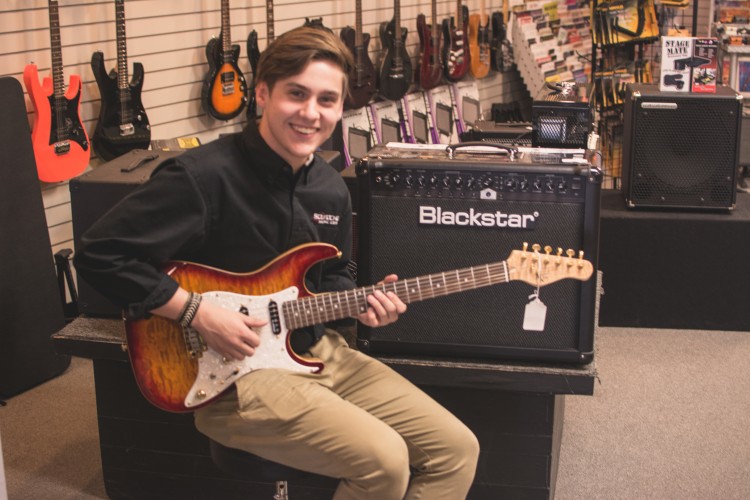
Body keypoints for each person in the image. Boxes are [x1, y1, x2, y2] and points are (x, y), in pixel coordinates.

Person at [74, 26, 479, 499]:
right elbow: (100, 253)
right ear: (263, 94)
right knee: (384, 461)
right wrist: (196, 312)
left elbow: (333, 277)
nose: (311, 113)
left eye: (327, 100)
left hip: (314, 351)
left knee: (456, 449)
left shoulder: (328, 188)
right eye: (297, 94)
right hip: (230, 374)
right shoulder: (202, 177)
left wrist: (363, 302)